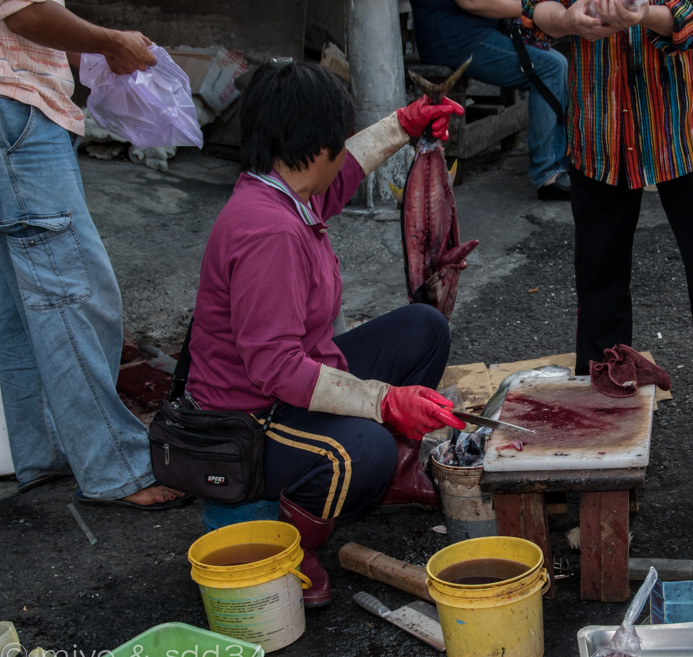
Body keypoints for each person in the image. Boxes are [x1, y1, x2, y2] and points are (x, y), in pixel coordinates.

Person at [186, 61, 467, 607]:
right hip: (249, 421)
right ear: (312, 149)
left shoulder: (284, 188)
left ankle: (389, 477)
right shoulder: (269, 231)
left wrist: (405, 124)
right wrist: (385, 403)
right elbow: (275, 369)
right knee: (361, 449)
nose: (340, 152)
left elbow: (346, 171)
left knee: (423, 329)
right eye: (335, 141)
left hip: (287, 392)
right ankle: (293, 549)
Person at [524, 0, 693, 417]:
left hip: (687, 119)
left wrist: (645, 15)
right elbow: (535, 9)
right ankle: (603, 386)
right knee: (598, 270)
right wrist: (568, 20)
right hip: (600, 120)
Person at [0, 0, 187, 508]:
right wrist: (107, 40)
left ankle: (48, 456)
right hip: (15, 108)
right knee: (73, 295)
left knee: (20, 304)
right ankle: (116, 468)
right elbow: (22, 11)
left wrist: (97, 53)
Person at [410, 0, 571, 200]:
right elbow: (472, 2)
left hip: (476, 32)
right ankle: (548, 174)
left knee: (558, 63)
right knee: (551, 68)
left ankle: (560, 162)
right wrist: (533, 7)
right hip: (454, 38)